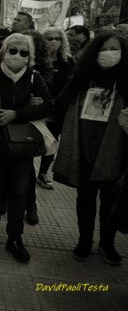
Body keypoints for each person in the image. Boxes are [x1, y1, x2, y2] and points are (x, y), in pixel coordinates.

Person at [0, 33, 52, 264]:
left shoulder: (34, 78)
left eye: (23, 52)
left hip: (22, 146)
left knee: (19, 192)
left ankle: (15, 238)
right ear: (3, 52)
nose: (18, 55)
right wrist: (28, 106)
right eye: (13, 50)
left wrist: (17, 113)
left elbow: (47, 106)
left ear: (30, 56)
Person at [53, 32, 127, 266]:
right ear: (95, 52)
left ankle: (107, 242)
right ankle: (84, 240)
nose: (109, 53)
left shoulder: (126, 80)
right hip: (84, 146)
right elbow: (60, 103)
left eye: (115, 48)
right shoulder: (82, 77)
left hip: (115, 149)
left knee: (110, 197)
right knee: (85, 196)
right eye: (104, 49)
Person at [36, 27, 74, 190]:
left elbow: (70, 84)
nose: (54, 42)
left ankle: (43, 173)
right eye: (49, 38)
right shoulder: (36, 59)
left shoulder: (67, 61)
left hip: (58, 108)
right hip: (38, 106)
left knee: (51, 140)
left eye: (57, 38)